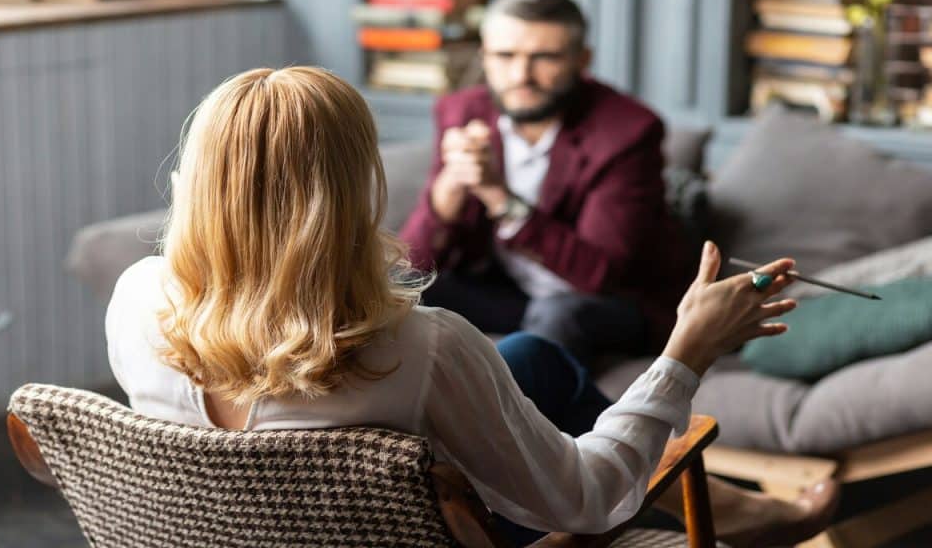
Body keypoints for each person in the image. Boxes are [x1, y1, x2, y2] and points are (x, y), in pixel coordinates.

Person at [106, 67, 838, 547]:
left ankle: (736, 507)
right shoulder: (421, 349)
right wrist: (686, 353)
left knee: (530, 357)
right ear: (353, 190)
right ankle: (726, 508)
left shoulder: (137, 297)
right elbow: (587, 501)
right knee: (522, 378)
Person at [400, 0, 692, 363]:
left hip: (607, 302)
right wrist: (450, 187)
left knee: (559, 314)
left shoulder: (628, 131)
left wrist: (498, 196)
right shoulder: (461, 111)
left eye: (545, 58)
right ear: (484, 56)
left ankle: (513, 402)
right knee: (394, 287)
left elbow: (599, 274)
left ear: (582, 60)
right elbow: (415, 262)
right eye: (505, 56)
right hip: (509, 293)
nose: (521, 75)